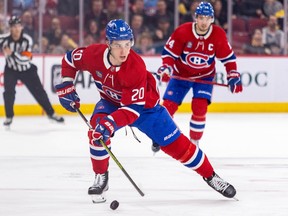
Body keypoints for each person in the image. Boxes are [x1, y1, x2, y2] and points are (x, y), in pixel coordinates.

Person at [55, 19, 236, 203]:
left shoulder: (135, 67)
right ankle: (101, 177)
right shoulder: (93, 54)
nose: (124, 51)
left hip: (146, 111)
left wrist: (110, 123)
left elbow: (132, 110)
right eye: (118, 45)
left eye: (128, 44)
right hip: (111, 104)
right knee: (96, 130)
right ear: (108, 43)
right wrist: (67, 84)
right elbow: (70, 60)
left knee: (180, 147)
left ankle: (211, 176)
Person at [152, 2, 243, 152]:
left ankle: (194, 144)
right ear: (196, 18)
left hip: (205, 77)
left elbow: (228, 59)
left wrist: (233, 75)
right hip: (181, 75)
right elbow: (169, 55)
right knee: (167, 107)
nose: (204, 22)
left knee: (200, 108)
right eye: (201, 18)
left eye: (207, 18)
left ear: (212, 19)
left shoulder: (218, 34)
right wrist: (166, 68)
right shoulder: (182, 32)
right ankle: (160, 136)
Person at [0, 16, 64, 127]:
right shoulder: (4, 39)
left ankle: (51, 113)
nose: (16, 29)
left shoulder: (27, 40)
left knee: (39, 92)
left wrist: (12, 54)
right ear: (10, 28)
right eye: (13, 27)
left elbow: (26, 59)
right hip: (11, 69)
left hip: (27, 69)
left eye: (18, 26)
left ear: (21, 27)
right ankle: (9, 117)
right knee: (9, 93)